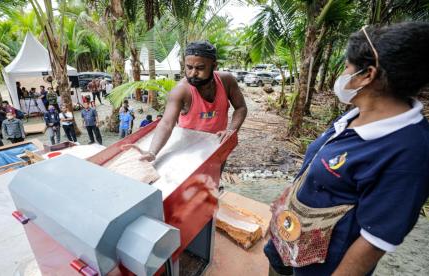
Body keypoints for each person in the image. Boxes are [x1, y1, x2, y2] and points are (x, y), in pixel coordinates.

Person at [264, 22, 429, 276]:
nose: (342, 73)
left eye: (346, 66)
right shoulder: (355, 114)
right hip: (292, 238)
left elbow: (375, 240)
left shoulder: (408, 151)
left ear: (367, 75)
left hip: (324, 263)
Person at [129, 40, 247, 162]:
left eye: (200, 68)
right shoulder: (181, 91)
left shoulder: (226, 81)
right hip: (187, 149)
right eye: (189, 67)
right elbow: (166, 123)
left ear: (214, 65)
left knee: (213, 178)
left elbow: (241, 107)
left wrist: (231, 130)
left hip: (216, 145)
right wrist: (152, 152)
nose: (193, 73)